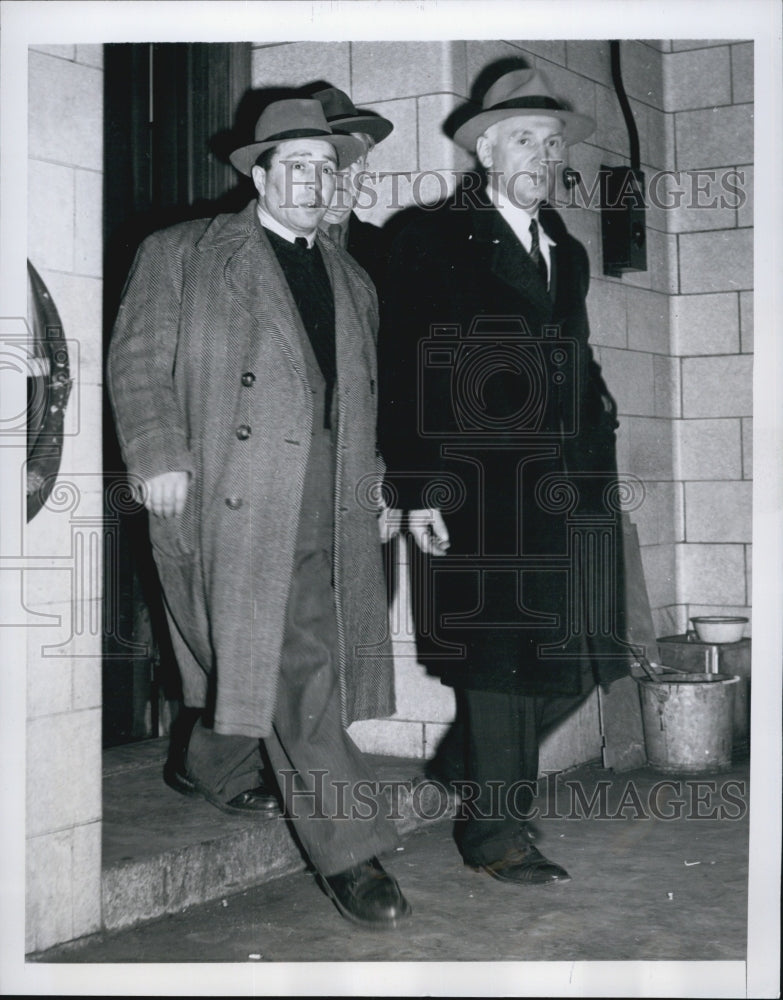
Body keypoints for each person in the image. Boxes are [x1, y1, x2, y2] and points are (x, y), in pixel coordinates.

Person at [107, 98, 410, 928]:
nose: (315, 182)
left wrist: (377, 482)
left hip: (329, 495)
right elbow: (136, 360)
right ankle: (352, 851)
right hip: (228, 490)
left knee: (278, 652)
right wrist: (158, 454)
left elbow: (357, 401)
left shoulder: (351, 276)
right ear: (260, 173)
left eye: (326, 167)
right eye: (298, 166)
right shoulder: (185, 254)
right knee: (294, 664)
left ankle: (208, 757)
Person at [380, 69, 629, 885]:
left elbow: (576, 360)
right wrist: (416, 488)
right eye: (524, 136)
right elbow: (405, 368)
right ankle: (496, 835)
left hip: (568, 487)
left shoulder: (567, 247)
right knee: (496, 661)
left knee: (584, 654)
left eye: (553, 142)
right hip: (474, 486)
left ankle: (465, 769)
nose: (544, 153)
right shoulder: (427, 237)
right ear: (483, 148)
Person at [312, 86, 394, 291]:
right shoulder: (270, 241)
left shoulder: (389, 248)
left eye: (356, 160)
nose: (344, 172)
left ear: (366, 168)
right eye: (334, 160)